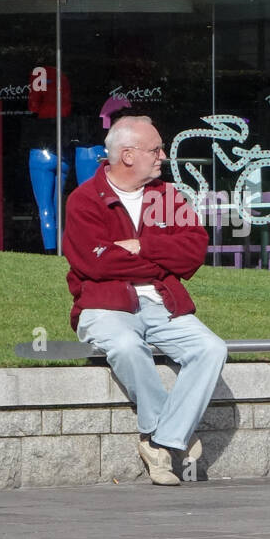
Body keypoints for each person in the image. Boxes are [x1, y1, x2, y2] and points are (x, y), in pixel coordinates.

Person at [63, 115, 227, 487]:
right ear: (127, 155)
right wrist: (159, 260)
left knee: (211, 349)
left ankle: (162, 440)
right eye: (155, 149)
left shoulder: (168, 196)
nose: (163, 156)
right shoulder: (84, 200)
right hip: (105, 304)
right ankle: (165, 434)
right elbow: (94, 262)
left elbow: (193, 251)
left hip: (161, 301)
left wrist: (142, 246)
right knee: (125, 345)